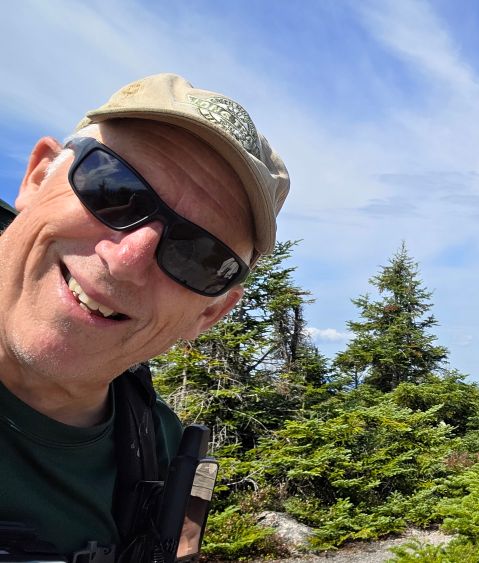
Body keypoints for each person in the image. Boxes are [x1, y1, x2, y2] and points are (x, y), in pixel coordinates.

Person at [0, 73, 289, 559]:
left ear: (212, 313)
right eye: (114, 189)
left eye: (197, 254)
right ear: (38, 175)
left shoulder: (163, 452)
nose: (128, 259)